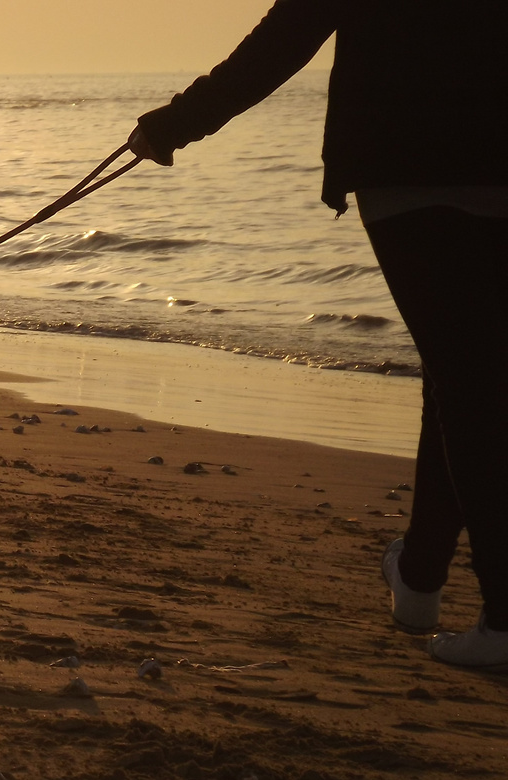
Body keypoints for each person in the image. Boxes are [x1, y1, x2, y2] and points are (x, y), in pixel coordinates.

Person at [126, 0, 508, 668]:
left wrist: (175, 124)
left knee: (463, 378)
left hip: (403, 162)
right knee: (460, 372)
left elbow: (287, 37)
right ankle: (419, 578)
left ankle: (500, 617)